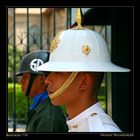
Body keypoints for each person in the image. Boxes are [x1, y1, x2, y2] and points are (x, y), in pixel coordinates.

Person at [36, 9, 130, 132]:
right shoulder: (77, 124)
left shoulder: (102, 130)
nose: (47, 79)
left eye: (58, 71)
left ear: (84, 82)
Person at [16, 50, 68, 132]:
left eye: (25, 77)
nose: (21, 81)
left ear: (41, 79)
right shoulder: (41, 108)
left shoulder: (49, 115)